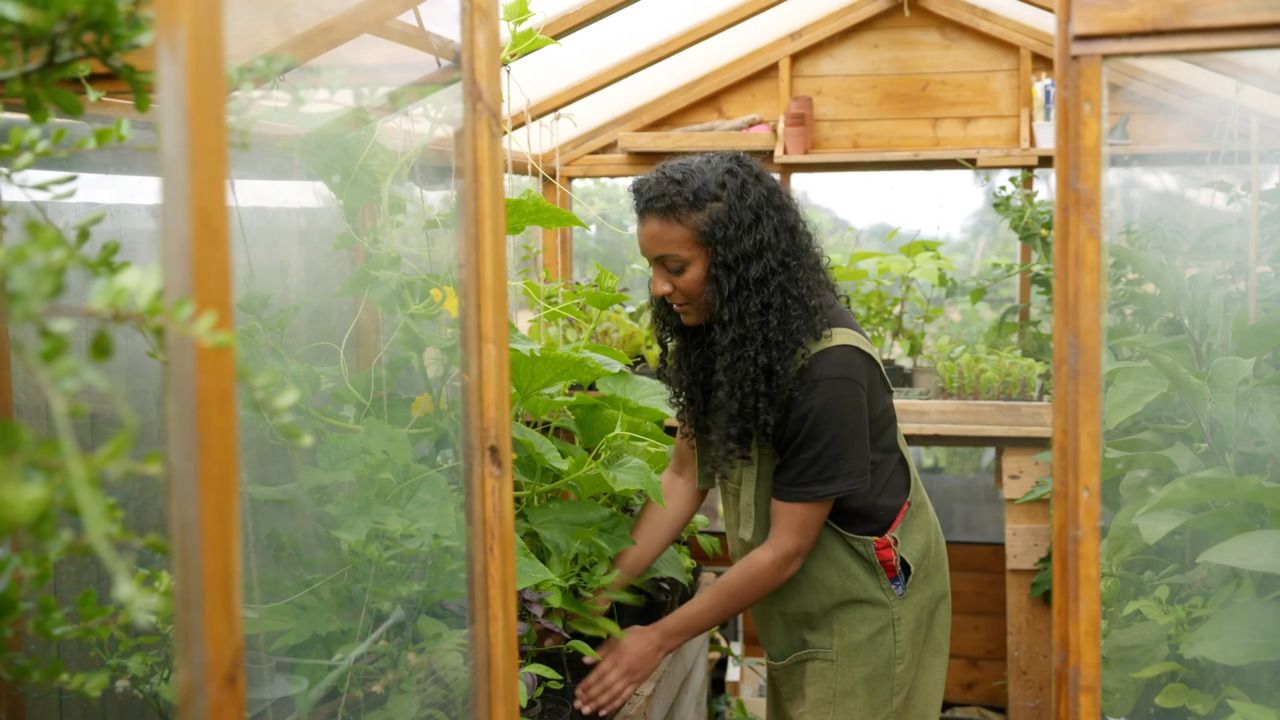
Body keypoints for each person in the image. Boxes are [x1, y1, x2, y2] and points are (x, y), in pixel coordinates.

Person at [572, 152, 952, 720]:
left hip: (865, 612)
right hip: (802, 607)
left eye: (675, 267)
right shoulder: (727, 333)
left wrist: (654, 639)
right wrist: (602, 589)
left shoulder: (829, 370)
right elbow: (683, 475)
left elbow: (785, 550)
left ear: (736, 260)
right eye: (652, 265)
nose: (658, 286)